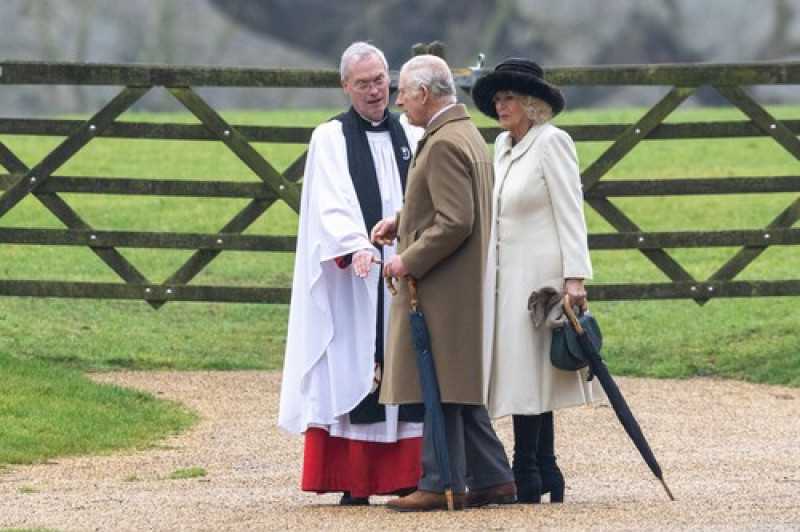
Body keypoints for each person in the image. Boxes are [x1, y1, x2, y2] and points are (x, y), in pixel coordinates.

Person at [278, 41, 425, 506]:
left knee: (407, 360)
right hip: (357, 279)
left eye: (380, 80)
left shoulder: (414, 135)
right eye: (363, 83)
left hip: (408, 269)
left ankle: (410, 476)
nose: (375, 91)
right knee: (357, 359)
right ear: (345, 87)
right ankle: (355, 479)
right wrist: (354, 246)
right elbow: (331, 200)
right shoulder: (331, 137)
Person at [370, 54, 516, 512]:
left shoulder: (443, 143)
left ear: (426, 94)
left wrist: (406, 260)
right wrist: (402, 220)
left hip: (443, 287)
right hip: (459, 285)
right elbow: (446, 205)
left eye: (404, 93)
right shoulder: (463, 134)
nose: (398, 102)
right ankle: (494, 478)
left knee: (437, 382)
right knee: (455, 384)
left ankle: (440, 483)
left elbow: (455, 221)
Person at [471, 58, 605, 503]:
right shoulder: (502, 145)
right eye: (496, 98)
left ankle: (526, 468)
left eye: (508, 97)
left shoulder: (553, 142)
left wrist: (574, 278)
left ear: (531, 103)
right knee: (523, 373)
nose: (500, 104)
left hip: (541, 279)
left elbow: (572, 211)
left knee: (533, 375)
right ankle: (545, 468)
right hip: (507, 278)